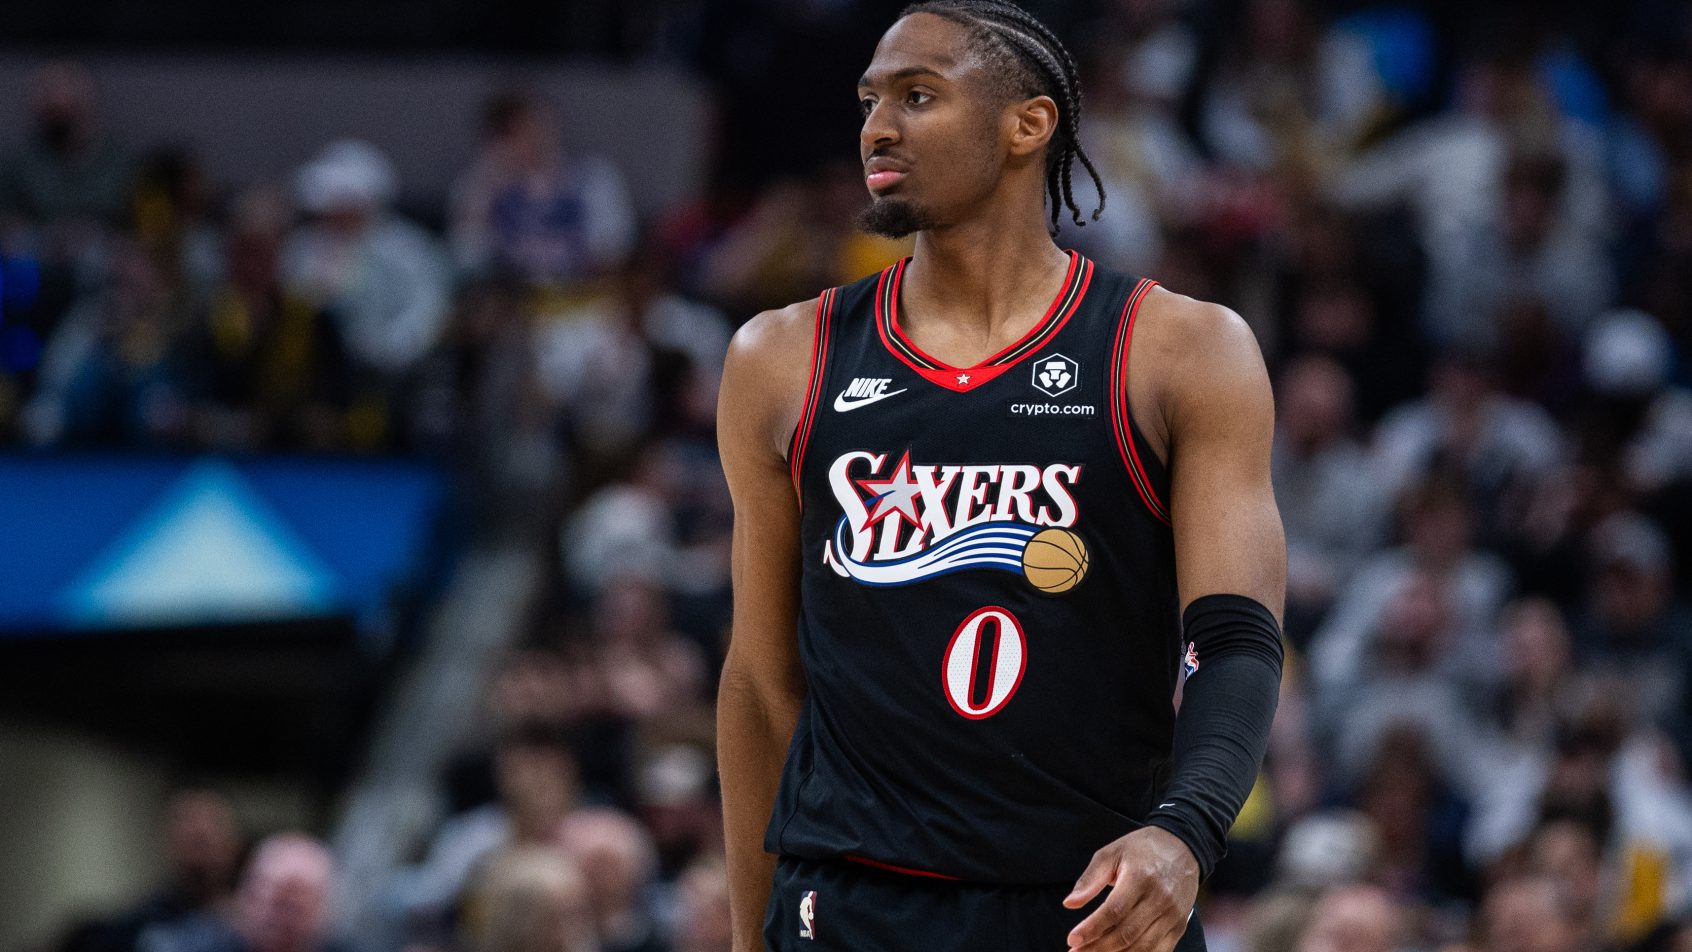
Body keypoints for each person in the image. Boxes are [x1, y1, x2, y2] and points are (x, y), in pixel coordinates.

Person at [715, 3, 1286, 951]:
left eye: (918, 96)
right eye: (868, 102)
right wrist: (748, 939)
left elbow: (1234, 640)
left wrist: (1185, 833)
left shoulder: (1178, 349)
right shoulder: (782, 357)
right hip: (853, 901)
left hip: (1087, 902)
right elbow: (762, 681)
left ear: (1028, 124)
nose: (877, 127)